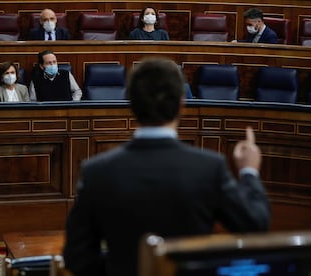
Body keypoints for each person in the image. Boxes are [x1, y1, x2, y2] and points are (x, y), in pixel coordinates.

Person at [63, 57, 270, 276]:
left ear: (131, 104)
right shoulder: (209, 167)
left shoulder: (97, 171)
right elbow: (254, 226)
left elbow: (77, 258)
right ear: (182, 105)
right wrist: (249, 171)